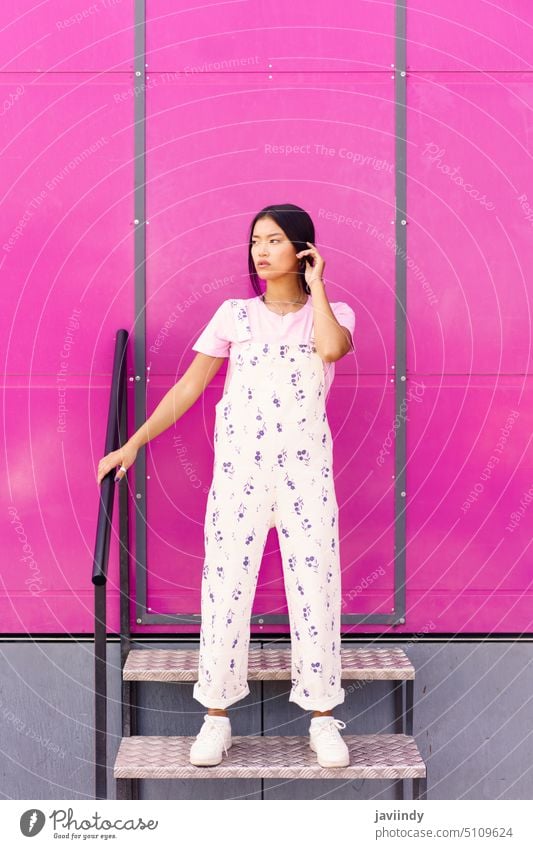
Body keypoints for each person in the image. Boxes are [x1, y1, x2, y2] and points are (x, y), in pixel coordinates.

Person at [97, 203, 355, 769]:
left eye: (275, 240)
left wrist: (318, 287)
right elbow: (189, 389)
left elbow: (333, 350)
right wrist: (133, 442)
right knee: (225, 585)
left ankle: (322, 718)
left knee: (315, 584)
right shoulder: (234, 315)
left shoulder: (332, 315)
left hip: (305, 471)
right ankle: (215, 717)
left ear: (304, 250)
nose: (262, 250)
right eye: (256, 240)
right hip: (241, 470)